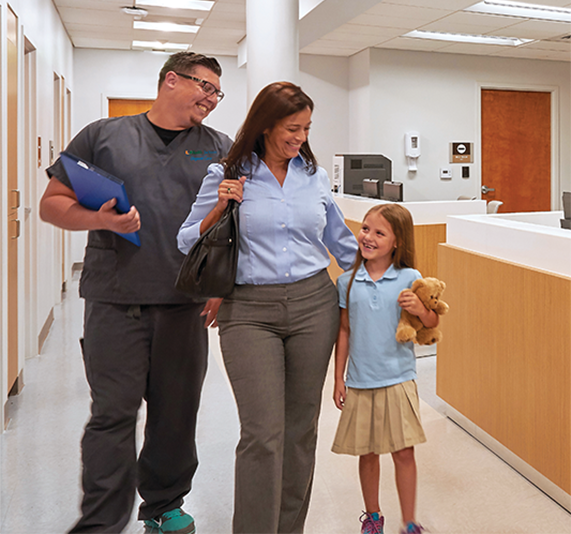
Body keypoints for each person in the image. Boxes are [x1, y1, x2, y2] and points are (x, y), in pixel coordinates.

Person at [39, 52, 233, 534]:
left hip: (185, 307)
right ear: (171, 80)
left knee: (176, 416)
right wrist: (101, 219)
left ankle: (164, 506)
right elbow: (52, 205)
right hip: (115, 301)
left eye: (216, 93)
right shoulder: (102, 136)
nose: (210, 99)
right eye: (204, 87)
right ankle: (101, 522)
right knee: (113, 416)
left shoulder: (219, 147)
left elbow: (234, 222)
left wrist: (221, 286)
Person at [177, 81, 358, 534]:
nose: (300, 137)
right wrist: (220, 206)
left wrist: (390, 278)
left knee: (300, 431)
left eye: (306, 129)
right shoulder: (228, 173)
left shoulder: (313, 177)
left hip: (314, 303)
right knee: (262, 434)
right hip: (248, 310)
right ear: (264, 126)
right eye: (291, 128)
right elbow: (186, 240)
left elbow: (340, 242)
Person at [332, 204, 438, 534]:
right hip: (361, 381)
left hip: (398, 379)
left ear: (397, 242)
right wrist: (338, 376)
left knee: (403, 453)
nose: (368, 237)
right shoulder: (347, 281)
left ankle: (409, 522)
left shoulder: (411, 278)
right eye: (365, 229)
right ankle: (373, 517)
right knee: (368, 453)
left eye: (379, 233)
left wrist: (421, 308)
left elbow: (432, 324)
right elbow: (344, 330)